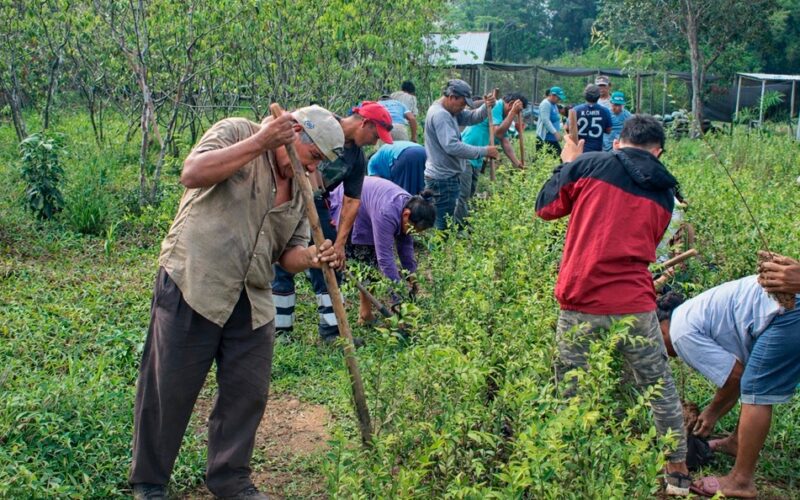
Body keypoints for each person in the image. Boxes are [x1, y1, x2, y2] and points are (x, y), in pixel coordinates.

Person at [129, 106, 344, 500]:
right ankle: (150, 480)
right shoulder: (236, 131)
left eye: (320, 164)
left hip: (252, 296)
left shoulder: (300, 187)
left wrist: (312, 256)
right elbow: (191, 173)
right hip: (197, 279)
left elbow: (288, 255)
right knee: (169, 388)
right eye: (313, 157)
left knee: (248, 392)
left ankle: (230, 479)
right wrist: (261, 140)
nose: (313, 170)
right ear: (294, 131)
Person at [535, 115, 691, 496]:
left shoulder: (590, 166)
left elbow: (546, 207)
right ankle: (678, 472)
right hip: (636, 302)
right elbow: (652, 241)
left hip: (581, 298)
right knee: (657, 384)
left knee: (572, 385)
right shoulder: (667, 193)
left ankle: (569, 465)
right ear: (659, 151)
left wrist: (568, 162)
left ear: (618, 142)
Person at [656, 276, 800, 499]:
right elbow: (738, 370)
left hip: (786, 309)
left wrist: (712, 413)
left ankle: (740, 481)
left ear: (660, 329)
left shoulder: (680, 334)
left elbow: (735, 377)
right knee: (754, 376)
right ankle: (736, 442)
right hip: (783, 303)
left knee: (755, 389)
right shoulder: (687, 313)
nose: (665, 355)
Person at [272, 101, 393, 345]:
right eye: (375, 135)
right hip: (286, 194)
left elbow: (352, 201)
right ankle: (279, 331)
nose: (375, 142)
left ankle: (331, 332)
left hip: (318, 204)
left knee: (327, 262)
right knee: (281, 260)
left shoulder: (357, 159)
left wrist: (339, 244)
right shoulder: (322, 121)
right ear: (365, 123)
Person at [329, 176, 436, 323]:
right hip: (351, 205)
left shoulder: (411, 205)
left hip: (367, 204)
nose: (413, 234)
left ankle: (365, 313)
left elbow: (406, 247)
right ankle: (364, 314)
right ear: (406, 215)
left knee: (369, 263)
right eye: (413, 229)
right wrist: (399, 300)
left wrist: (412, 277)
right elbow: (385, 259)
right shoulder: (387, 212)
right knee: (366, 265)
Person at [424, 79, 498, 230]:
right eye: (462, 103)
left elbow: (472, 117)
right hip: (443, 179)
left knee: (444, 223)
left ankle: (442, 251)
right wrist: (483, 151)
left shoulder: (450, 111)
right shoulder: (441, 115)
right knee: (443, 227)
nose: (463, 108)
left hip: (445, 177)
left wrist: (487, 106)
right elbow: (452, 146)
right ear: (452, 97)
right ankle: (439, 252)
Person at [457, 92, 526, 215]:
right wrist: (512, 113)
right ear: (511, 104)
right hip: (466, 153)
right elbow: (498, 133)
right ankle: (457, 228)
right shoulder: (496, 107)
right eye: (516, 113)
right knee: (463, 194)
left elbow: (504, 140)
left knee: (470, 193)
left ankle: (462, 222)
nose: (515, 117)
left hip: (477, 155)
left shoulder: (503, 115)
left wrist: (517, 163)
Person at [569, 84, 612, 153]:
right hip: (596, 150)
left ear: (585, 95)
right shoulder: (605, 111)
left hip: (579, 150)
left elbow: (567, 128)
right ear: (598, 96)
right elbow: (608, 130)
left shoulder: (576, 110)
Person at [536, 86, 566, 156]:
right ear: (552, 95)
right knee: (559, 157)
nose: (559, 100)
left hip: (552, 138)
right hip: (545, 138)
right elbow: (545, 120)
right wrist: (555, 133)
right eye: (558, 98)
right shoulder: (545, 104)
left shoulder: (554, 105)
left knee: (558, 157)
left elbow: (556, 119)